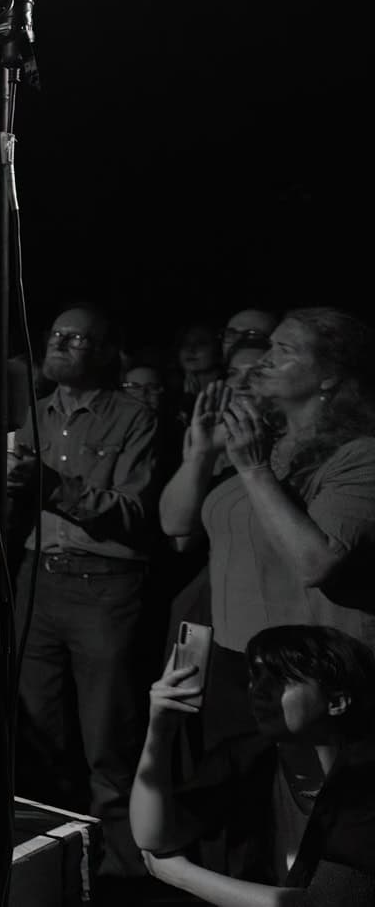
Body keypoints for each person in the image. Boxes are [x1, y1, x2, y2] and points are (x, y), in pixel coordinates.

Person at [159, 310, 375, 753]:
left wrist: (255, 470)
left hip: (306, 670)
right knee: (230, 788)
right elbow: (175, 525)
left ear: (330, 377)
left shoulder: (359, 456)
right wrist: (201, 455)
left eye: (285, 350)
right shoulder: (264, 444)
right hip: (234, 657)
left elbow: (316, 564)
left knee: (303, 793)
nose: (264, 360)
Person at [10, 302, 161, 877]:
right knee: (38, 729)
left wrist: (51, 485)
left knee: (106, 736)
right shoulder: (36, 412)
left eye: (74, 338)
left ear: (104, 351)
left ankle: (119, 869)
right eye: (56, 334)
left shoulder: (135, 418)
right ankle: (46, 854)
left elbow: (133, 512)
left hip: (104, 586)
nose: (58, 343)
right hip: (38, 577)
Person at [131, 624, 375, 904]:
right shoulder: (248, 756)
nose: (259, 691)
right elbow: (153, 837)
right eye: (256, 676)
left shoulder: (366, 781)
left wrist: (181, 874)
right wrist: (160, 731)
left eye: (280, 678)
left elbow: (326, 903)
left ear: (337, 701)